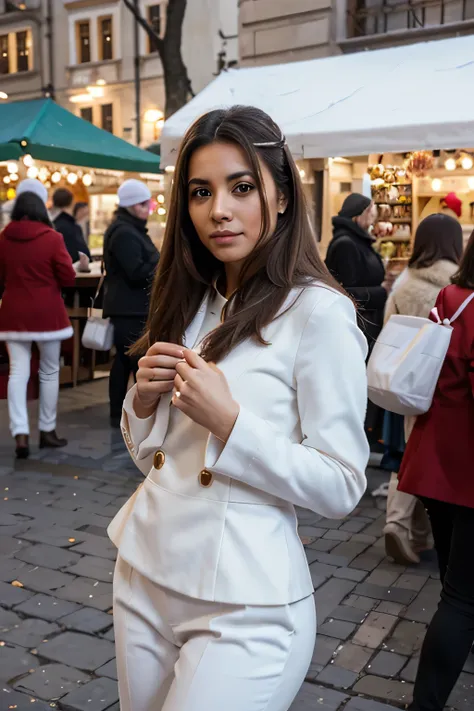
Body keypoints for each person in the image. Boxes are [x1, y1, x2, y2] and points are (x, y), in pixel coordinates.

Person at [107, 106, 370, 711]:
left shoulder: (318, 314)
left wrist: (230, 423)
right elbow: (153, 454)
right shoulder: (191, 298)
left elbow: (342, 485)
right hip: (144, 570)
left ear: (280, 196)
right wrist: (143, 404)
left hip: (245, 603)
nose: (218, 209)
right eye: (200, 192)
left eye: (241, 186)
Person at [398, 228, 474, 711]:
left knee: (455, 581)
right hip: (467, 468)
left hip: (432, 457)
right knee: (461, 599)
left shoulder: (452, 296)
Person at [383, 214, 463, 565]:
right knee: (432, 460)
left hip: (407, 385)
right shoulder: (459, 288)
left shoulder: (404, 284)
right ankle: (399, 525)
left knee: (412, 453)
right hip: (448, 389)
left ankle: (415, 533)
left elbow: (389, 331)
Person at [0, 192, 76, 459]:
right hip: (48, 314)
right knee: (49, 372)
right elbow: (68, 276)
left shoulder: (4, 239)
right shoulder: (53, 238)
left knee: (17, 372)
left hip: (13, 313)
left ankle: (20, 434)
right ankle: (47, 431)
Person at [102, 179, 159, 428]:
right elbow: (135, 272)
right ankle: (132, 413)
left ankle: (123, 412)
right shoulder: (125, 233)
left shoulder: (129, 229)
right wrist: (161, 263)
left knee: (125, 361)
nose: (148, 208)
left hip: (130, 306)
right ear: (132, 205)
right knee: (133, 360)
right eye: (144, 204)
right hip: (129, 308)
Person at [326, 193, 387, 349]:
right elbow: (347, 293)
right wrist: (383, 292)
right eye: (369, 213)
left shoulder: (356, 240)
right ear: (359, 215)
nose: (372, 218)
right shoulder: (346, 244)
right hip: (358, 326)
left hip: (365, 322)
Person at [53, 188, 91, 263]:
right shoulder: (73, 228)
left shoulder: (50, 225)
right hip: (72, 271)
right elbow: (84, 254)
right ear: (72, 203)